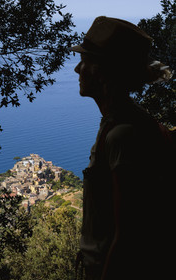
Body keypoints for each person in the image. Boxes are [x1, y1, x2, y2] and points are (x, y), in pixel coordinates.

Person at [71, 16, 174, 280]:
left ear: (105, 73)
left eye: (86, 62)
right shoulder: (125, 121)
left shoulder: (122, 136)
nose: (77, 69)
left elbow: (128, 237)